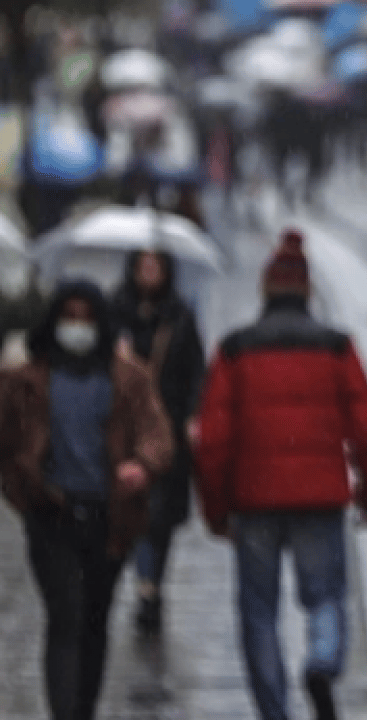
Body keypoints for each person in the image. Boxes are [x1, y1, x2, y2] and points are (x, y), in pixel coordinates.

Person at [193, 230, 367, 720]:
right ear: (307, 292)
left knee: (259, 612)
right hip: (320, 497)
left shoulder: (235, 350)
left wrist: (216, 510)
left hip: (254, 502)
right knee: (326, 597)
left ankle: (274, 710)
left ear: (264, 291)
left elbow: (211, 440)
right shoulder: (337, 347)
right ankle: (322, 661)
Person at [0, 280, 173, 720]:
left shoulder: (128, 377)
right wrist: (20, 483)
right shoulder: (26, 380)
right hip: (50, 515)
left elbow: (157, 433)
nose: (77, 327)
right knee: (66, 617)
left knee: (94, 621)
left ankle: (83, 709)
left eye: (85, 318)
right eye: (69, 317)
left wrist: (142, 465)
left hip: (108, 518)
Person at [113, 251, 206, 635]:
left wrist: (192, 417)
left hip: (166, 429)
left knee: (160, 516)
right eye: (143, 266)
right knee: (136, 510)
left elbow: (195, 371)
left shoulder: (180, 315)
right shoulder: (113, 312)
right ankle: (146, 588)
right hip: (124, 429)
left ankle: (151, 584)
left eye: (156, 267)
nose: (148, 274)